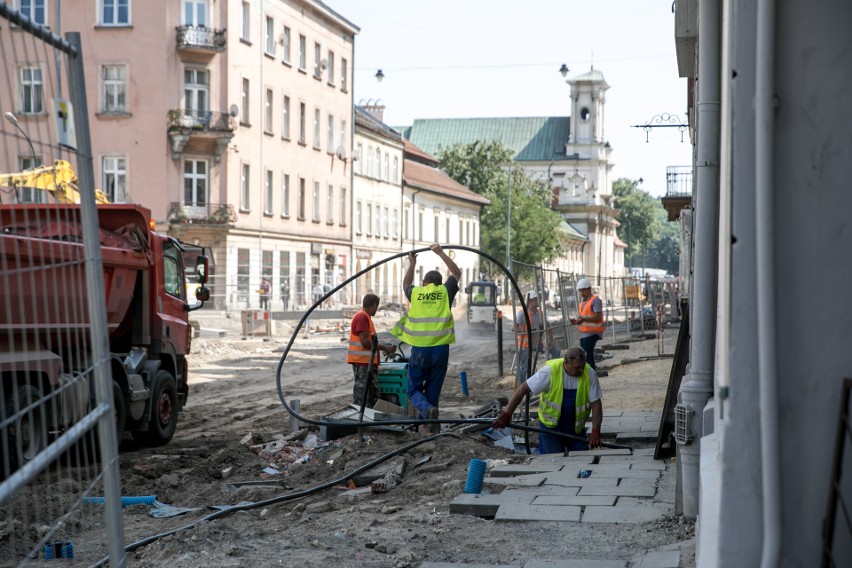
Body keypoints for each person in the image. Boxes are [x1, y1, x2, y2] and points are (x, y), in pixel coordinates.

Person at [395, 243, 461, 431]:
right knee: (433, 392)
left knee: (413, 390)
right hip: (441, 350)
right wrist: (441, 253)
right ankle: (431, 428)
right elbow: (456, 273)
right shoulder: (445, 291)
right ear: (439, 283)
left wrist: (412, 263)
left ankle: (426, 412)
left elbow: (406, 284)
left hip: (421, 349)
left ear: (424, 283)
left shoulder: (417, 293)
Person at [493, 346, 603, 454]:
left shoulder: (589, 373)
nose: (581, 370)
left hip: (576, 429)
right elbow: (521, 390)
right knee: (552, 460)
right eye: (577, 367)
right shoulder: (549, 372)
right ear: (566, 363)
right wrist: (507, 414)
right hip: (550, 429)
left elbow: (596, 404)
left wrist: (595, 430)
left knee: (581, 460)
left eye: (582, 366)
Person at [347, 293, 396, 408]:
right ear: (373, 305)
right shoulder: (362, 317)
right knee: (362, 394)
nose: (376, 310)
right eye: (376, 307)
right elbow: (365, 342)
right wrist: (384, 348)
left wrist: (383, 346)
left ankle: (370, 419)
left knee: (372, 395)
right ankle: (360, 419)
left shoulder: (366, 318)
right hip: (362, 363)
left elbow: (370, 341)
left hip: (367, 363)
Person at [514, 290, 551, 386]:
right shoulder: (523, 313)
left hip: (536, 344)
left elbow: (545, 325)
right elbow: (514, 327)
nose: (538, 301)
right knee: (524, 368)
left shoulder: (539, 313)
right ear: (530, 301)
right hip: (525, 346)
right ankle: (521, 388)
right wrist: (528, 331)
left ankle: (531, 385)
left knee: (553, 352)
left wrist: (549, 340)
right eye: (536, 300)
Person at [570, 278, 605, 370]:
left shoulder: (595, 300)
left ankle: (590, 377)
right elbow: (583, 318)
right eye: (580, 291)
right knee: (587, 356)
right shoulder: (582, 303)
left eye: (584, 290)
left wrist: (583, 319)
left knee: (585, 357)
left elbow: (597, 317)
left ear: (589, 289)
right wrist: (577, 321)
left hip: (593, 333)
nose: (582, 293)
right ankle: (592, 376)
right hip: (584, 333)